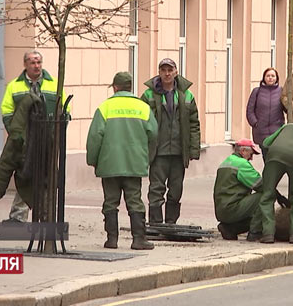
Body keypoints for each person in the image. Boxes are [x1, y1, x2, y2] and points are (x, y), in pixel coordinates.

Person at [86, 72, 158, 250]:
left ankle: (112, 239)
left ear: (115, 87)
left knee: (110, 201)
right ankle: (138, 239)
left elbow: (95, 137)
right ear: (130, 87)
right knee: (135, 201)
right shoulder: (142, 108)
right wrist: (146, 158)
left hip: (109, 163)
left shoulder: (105, 108)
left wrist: (93, 160)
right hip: (134, 164)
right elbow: (154, 135)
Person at [0, 50, 68, 223]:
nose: (36, 66)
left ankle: (45, 215)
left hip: (48, 141)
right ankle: (17, 216)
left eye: (39, 62)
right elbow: (7, 111)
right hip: (24, 142)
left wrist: (56, 134)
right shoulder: (14, 86)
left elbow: (64, 112)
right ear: (25, 65)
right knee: (24, 176)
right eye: (32, 62)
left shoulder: (54, 85)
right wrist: (16, 134)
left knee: (46, 178)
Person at [141, 58, 201, 224]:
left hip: (178, 150)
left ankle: (171, 223)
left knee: (176, 189)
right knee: (156, 188)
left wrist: (193, 149)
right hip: (158, 151)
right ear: (159, 72)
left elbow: (194, 123)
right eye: (163, 70)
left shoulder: (186, 95)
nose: (167, 73)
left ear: (176, 72)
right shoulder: (148, 95)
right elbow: (141, 122)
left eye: (170, 70)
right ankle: (155, 222)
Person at [252, 123, 293, 245]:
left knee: (267, 195)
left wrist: (269, 159)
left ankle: (268, 234)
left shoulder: (286, 127)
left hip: (274, 156)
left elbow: (265, 143)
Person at [213, 139, 264, 240]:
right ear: (243, 151)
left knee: (252, 208)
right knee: (264, 197)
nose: (251, 158)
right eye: (251, 154)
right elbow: (260, 185)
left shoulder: (225, 162)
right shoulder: (242, 164)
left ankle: (229, 228)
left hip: (221, 210)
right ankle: (255, 233)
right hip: (233, 208)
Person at [246, 68, 285, 159]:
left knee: (275, 155)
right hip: (261, 131)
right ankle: (268, 172)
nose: (270, 78)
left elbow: (286, 107)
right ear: (264, 78)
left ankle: (272, 173)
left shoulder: (281, 91)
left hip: (276, 131)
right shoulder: (257, 91)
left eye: (273, 76)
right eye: (268, 76)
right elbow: (250, 110)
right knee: (266, 155)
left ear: (276, 78)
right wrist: (255, 123)